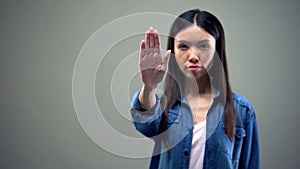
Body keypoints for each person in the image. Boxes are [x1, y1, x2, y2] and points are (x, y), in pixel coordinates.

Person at [130, 9, 260, 169]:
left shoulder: (242, 110)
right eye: (183, 46)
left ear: (217, 49)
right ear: (173, 50)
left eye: (203, 46)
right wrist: (149, 86)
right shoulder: (165, 105)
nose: (193, 55)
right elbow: (144, 124)